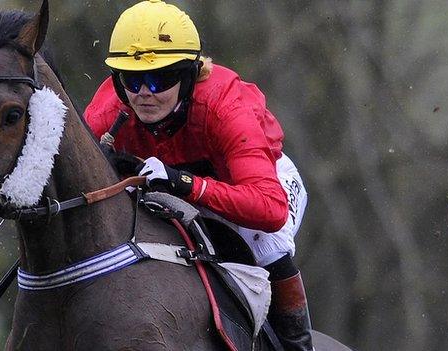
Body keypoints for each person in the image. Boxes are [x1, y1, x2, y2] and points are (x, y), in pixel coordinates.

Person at [84, 1, 312, 349]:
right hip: (167, 184)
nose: (144, 93)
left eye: (159, 79)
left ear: (188, 76)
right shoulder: (107, 114)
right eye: (132, 79)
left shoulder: (225, 106)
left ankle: (297, 344)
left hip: (260, 186)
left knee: (270, 246)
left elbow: (269, 208)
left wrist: (184, 183)